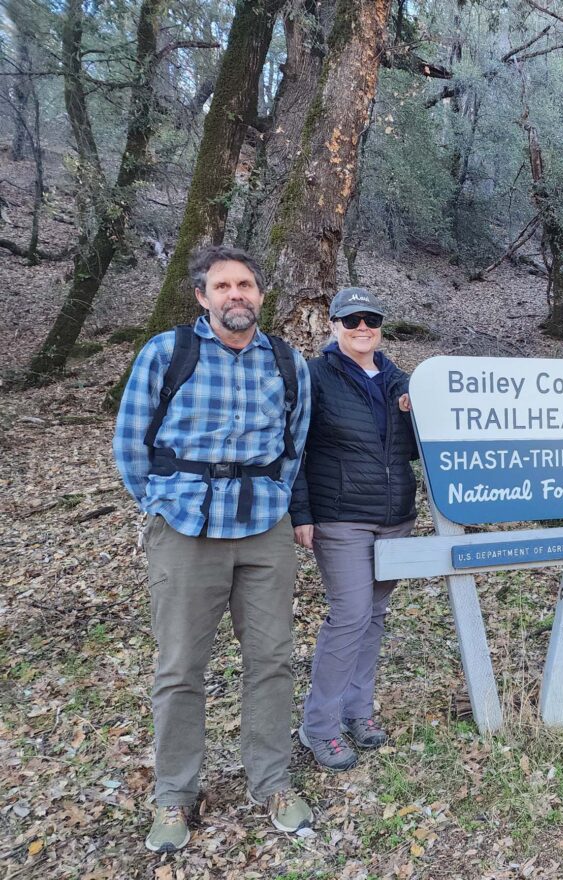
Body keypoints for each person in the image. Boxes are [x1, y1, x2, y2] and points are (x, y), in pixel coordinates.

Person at [113, 245, 313, 853]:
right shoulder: (166, 354)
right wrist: (162, 502)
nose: (236, 295)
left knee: (272, 659)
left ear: (259, 294)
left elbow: (295, 440)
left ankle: (271, 780)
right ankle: (175, 795)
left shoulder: (285, 361)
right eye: (222, 285)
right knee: (179, 669)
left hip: (263, 531)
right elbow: (131, 443)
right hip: (185, 530)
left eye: (245, 284)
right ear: (202, 296)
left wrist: (276, 495)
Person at [290, 288, 418, 771]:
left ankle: (358, 712)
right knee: (350, 614)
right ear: (334, 325)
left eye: (371, 319)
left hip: (396, 514)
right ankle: (319, 725)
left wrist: (414, 407)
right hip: (340, 514)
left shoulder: (399, 380)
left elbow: (421, 444)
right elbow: (294, 446)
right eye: (351, 319)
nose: (362, 327)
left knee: (376, 614)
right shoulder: (316, 375)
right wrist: (301, 513)